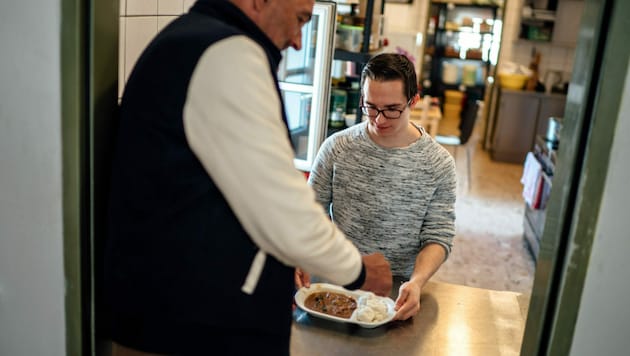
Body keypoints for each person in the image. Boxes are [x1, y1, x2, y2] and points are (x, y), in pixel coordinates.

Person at [104, 0, 392, 355]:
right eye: (299, 19)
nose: (299, 41)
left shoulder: (196, 40)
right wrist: (358, 271)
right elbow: (282, 208)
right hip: (189, 326)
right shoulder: (229, 54)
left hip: (176, 314)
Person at [306, 53, 457, 321]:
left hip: (397, 291)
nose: (379, 119)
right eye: (371, 107)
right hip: (336, 279)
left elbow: (438, 236)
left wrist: (418, 282)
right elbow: (309, 212)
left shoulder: (438, 163)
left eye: (392, 109)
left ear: (414, 100)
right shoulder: (337, 147)